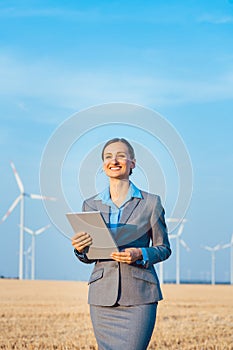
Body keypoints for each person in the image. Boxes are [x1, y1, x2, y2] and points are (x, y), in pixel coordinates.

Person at [72, 138, 171, 350]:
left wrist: (141, 253)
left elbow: (164, 248)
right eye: (108, 156)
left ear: (132, 163)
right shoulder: (89, 204)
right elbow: (88, 256)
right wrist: (80, 250)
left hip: (139, 295)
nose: (114, 160)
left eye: (121, 155)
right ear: (103, 165)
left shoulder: (151, 202)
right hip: (101, 296)